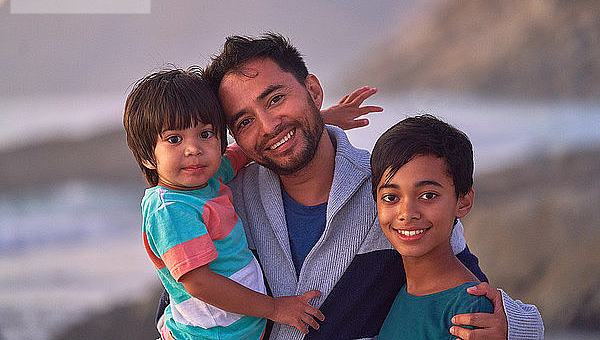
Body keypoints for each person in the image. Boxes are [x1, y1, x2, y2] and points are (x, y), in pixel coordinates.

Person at [160, 32, 544, 339]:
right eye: (244, 121)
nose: (268, 125)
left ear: (312, 91)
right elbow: (180, 303)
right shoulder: (227, 202)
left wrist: (515, 327)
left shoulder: (390, 193)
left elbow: (467, 287)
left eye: (276, 99)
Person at [124, 67, 334, 340]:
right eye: (174, 139)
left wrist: (321, 119)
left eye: (206, 133)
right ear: (147, 158)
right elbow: (199, 283)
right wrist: (275, 308)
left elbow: (243, 152)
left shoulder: (207, 180)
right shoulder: (171, 209)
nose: (194, 149)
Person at [371, 114, 494, 339]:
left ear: (463, 202)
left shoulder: (469, 310)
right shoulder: (401, 292)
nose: (407, 213)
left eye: (428, 195)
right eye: (391, 197)